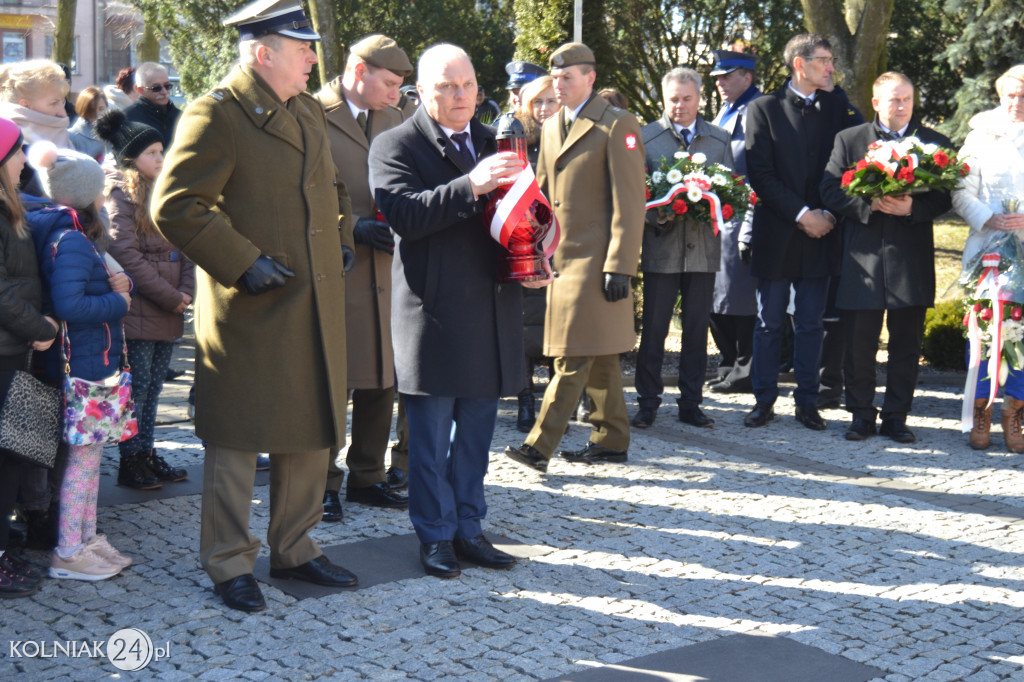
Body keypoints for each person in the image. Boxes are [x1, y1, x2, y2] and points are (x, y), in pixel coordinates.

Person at [151, 1, 358, 613]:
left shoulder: (306, 112)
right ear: (263, 52)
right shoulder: (216, 112)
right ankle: (228, 562)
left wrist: (342, 241)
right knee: (238, 439)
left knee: (310, 428)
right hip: (254, 304)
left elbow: (333, 186)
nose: (314, 59)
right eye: (303, 50)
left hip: (313, 299)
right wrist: (243, 262)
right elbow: (178, 204)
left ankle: (295, 546)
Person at [369, 43, 550, 578]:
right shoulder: (395, 143)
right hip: (434, 314)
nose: (459, 96)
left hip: (491, 311)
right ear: (420, 92)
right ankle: (434, 536)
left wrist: (534, 257)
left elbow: (519, 217)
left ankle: (470, 529)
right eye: (446, 86)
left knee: (475, 437)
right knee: (427, 442)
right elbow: (404, 216)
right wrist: (470, 183)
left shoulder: (496, 141)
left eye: (467, 84)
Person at [505, 42, 645, 471]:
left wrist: (621, 264)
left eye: (568, 77)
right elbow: (541, 198)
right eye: (555, 77)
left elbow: (630, 201)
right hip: (561, 260)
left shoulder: (617, 125)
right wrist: (530, 250)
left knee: (571, 355)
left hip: (597, 263)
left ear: (590, 78)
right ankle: (611, 438)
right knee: (597, 351)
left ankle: (538, 447)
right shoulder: (550, 128)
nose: (559, 84)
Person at [820, 72, 952, 444]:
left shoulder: (934, 143)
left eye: (907, 99)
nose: (901, 106)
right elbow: (829, 187)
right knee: (859, 344)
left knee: (906, 344)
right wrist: (867, 204)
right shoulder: (850, 140)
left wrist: (914, 206)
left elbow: (946, 195)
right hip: (861, 258)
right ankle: (861, 414)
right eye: (894, 100)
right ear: (876, 103)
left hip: (910, 257)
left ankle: (897, 416)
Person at [314, 33, 413, 520]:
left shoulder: (394, 118)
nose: (396, 94)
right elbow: (299, 197)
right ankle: (323, 482)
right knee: (336, 382)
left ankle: (367, 476)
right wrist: (351, 227)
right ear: (359, 72)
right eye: (389, 83)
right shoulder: (311, 114)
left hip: (389, 269)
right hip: (339, 267)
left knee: (383, 377)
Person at [26, 141, 133, 581]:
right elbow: (70, 304)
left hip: (91, 361)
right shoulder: (70, 238)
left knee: (88, 461)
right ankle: (69, 550)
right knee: (83, 463)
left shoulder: (72, 234)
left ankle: (85, 539)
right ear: (88, 194)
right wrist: (119, 301)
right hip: (83, 367)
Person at [742, 33, 858, 431]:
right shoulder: (763, 108)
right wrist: (802, 213)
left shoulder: (838, 107)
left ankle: (808, 401)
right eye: (824, 60)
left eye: (831, 60)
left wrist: (826, 213)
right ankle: (763, 401)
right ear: (800, 64)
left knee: (811, 323)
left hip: (824, 230)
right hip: (778, 231)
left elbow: (853, 161)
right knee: (769, 322)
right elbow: (760, 173)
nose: (830, 67)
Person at [97, 110, 195, 486]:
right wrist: (171, 295)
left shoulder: (164, 190)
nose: (161, 158)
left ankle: (148, 453)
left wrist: (186, 290)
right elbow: (125, 254)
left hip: (169, 307)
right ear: (130, 158)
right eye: (152, 152)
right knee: (135, 388)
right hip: (142, 309)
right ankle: (130, 460)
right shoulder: (120, 193)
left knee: (154, 387)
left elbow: (183, 243)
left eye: (161, 150)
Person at [632, 67, 733, 430]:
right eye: (673, 99)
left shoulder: (719, 139)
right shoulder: (647, 137)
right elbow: (636, 195)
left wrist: (716, 206)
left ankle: (691, 403)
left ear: (700, 98)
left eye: (687, 98)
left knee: (695, 330)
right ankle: (647, 402)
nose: (680, 106)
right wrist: (659, 216)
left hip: (704, 251)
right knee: (655, 329)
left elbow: (732, 192)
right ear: (664, 99)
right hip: (662, 248)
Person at [951, 64, 1024, 451]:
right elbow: (960, 192)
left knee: (1022, 335)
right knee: (983, 330)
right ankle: (980, 411)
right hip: (987, 250)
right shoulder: (979, 136)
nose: (1016, 102)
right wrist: (987, 216)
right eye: (1010, 94)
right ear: (1000, 95)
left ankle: (1016, 414)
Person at [0, 117, 57, 596]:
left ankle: (10, 544)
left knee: (19, 452)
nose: (25, 159)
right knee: (6, 457)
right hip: (9, 348)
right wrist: (40, 329)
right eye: (19, 151)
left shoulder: (12, 207)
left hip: (19, 349)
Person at [708, 49, 762, 394]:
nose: (720, 84)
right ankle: (728, 365)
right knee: (716, 298)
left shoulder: (758, 111)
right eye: (716, 79)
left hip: (744, 217)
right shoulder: (725, 112)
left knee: (741, 299)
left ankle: (746, 370)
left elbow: (760, 171)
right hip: (716, 218)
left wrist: (751, 226)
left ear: (748, 77)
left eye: (727, 76)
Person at [512, 75, 557, 432]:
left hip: (563, 246)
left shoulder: (571, 137)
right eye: (536, 102)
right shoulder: (516, 144)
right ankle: (525, 401)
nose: (543, 109)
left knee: (561, 326)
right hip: (525, 243)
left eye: (550, 101)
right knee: (524, 328)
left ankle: (560, 403)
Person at [0, 60, 72, 149]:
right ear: (25, 105)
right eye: (54, 103)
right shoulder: (10, 142)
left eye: (62, 102)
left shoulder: (61, 134)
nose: (63, 113)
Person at [123, 62, 181, 149]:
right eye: (156, 88)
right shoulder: (127, 119)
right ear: (140, 90)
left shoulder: (180, 117)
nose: (164, 92)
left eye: (167, 86)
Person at [68, 86, 109, 162]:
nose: (98, 114)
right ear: (83, 110)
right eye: (92, 110)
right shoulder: (72, 137)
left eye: (101, 109)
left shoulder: (116, 132)